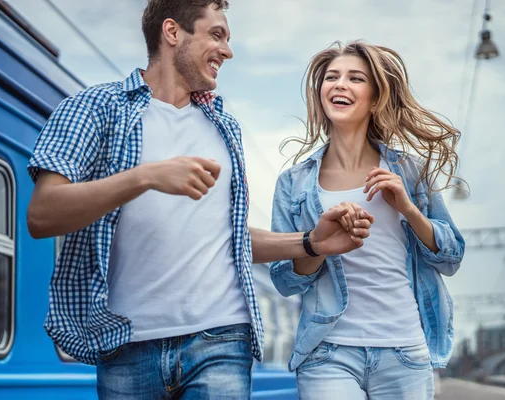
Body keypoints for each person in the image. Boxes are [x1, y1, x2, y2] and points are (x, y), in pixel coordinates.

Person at [26, 2, 373, 399]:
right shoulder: (93, 109)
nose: (227, 51)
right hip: (125, 345)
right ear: (173, 33)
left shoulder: (223, 128)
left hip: (221, 340)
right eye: (217, 35)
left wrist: (311, 242)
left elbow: (228, 237)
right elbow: (42, 214)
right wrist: (146, 176)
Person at [270, 41, 466, 399]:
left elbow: (451, 258)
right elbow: (285, 280)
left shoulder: (408, 171)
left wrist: (408, 209)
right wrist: (319, 241)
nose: (340, 84)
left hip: (404, 351)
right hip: (327, 353)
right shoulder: (293, 182)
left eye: (355, 78)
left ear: (375, 99)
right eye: (332, 77)